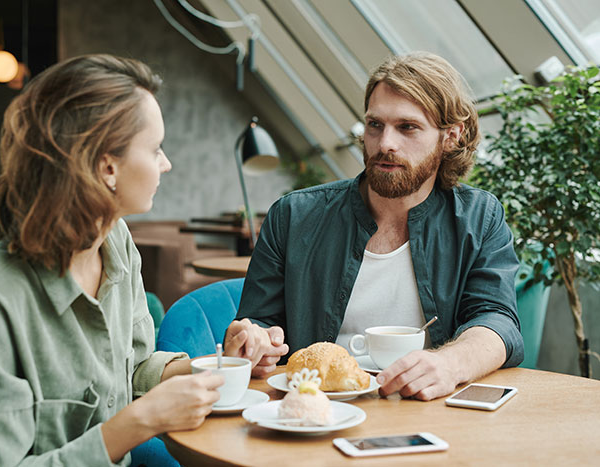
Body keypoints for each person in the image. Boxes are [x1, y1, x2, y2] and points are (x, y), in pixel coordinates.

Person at [0, 54, 224, 466]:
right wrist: (135, 424)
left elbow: (133, 367)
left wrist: (214, 366)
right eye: (156, 148)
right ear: (107, 166)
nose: (166, 163)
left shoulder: (116, 243)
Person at [224, 51, 523, 401]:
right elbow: (256, 324)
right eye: (374, 125)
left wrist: (449, 363)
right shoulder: (293, 216)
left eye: (407, 127)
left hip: (425, 410)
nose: (385, 144)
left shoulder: (479, 217)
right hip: (314, 412)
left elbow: (498, 321)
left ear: (451, 136)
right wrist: (252, 343)